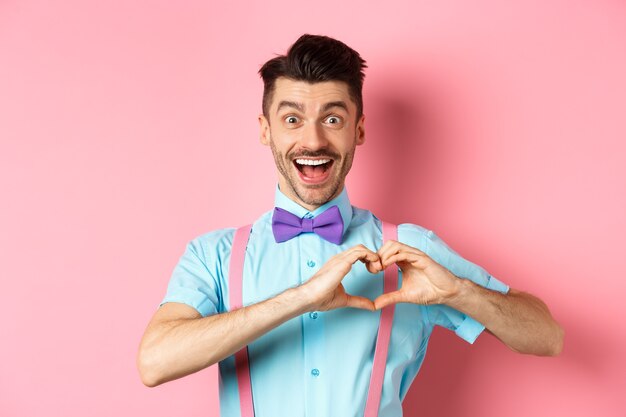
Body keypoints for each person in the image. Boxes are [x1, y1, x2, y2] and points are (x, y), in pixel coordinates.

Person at [137, 34, 563, 416]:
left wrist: (459, 290)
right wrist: (299, 299)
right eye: (292, 119)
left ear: (358, 130)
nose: (314, 141)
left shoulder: (410, 249)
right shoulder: (213, 254)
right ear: (265, 131)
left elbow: (547, 337)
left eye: (333, 119)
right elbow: (154, 362)